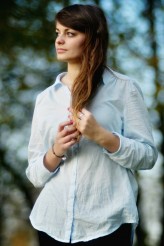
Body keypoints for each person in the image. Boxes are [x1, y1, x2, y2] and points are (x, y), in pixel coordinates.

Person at [26, 4, 158, 246]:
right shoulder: (45, 98)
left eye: (70, 33)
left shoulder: (123, 88)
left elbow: (148, 156)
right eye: (58, 32)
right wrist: (56, 150)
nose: (59, 40)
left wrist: (102, 136)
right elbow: (34, 174)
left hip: (108, 225)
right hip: (50, 224)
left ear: (93, 37)